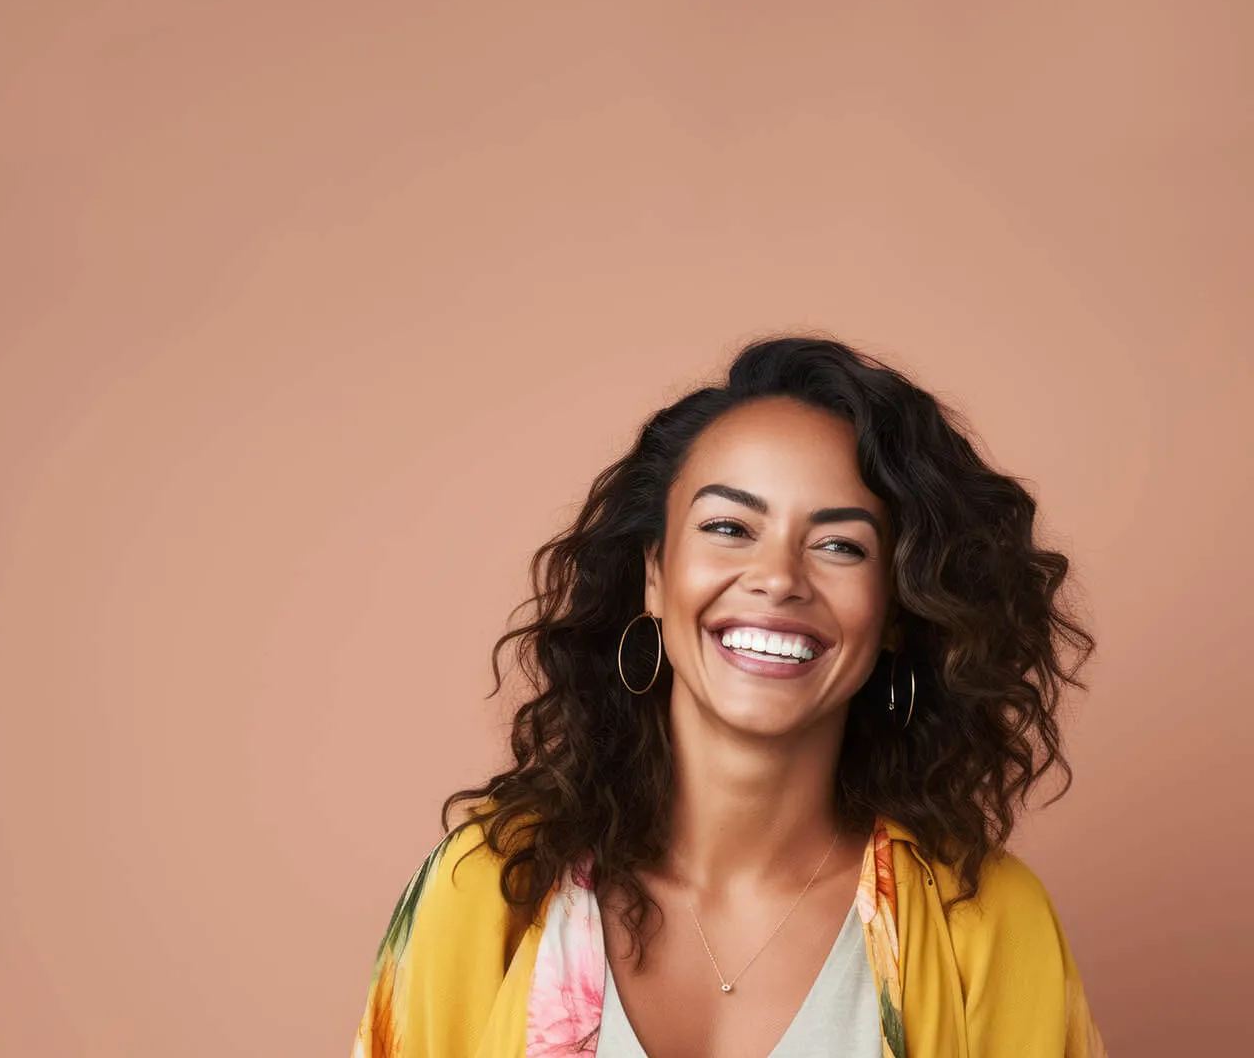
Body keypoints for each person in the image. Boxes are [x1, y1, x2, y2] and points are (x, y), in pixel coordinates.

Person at [350, 336, 1105, 1058]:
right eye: (728, 526)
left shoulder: (988, 924)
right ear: (655, 573)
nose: (779, 577)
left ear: (898, 613)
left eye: (840, 544)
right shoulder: (488, 892)